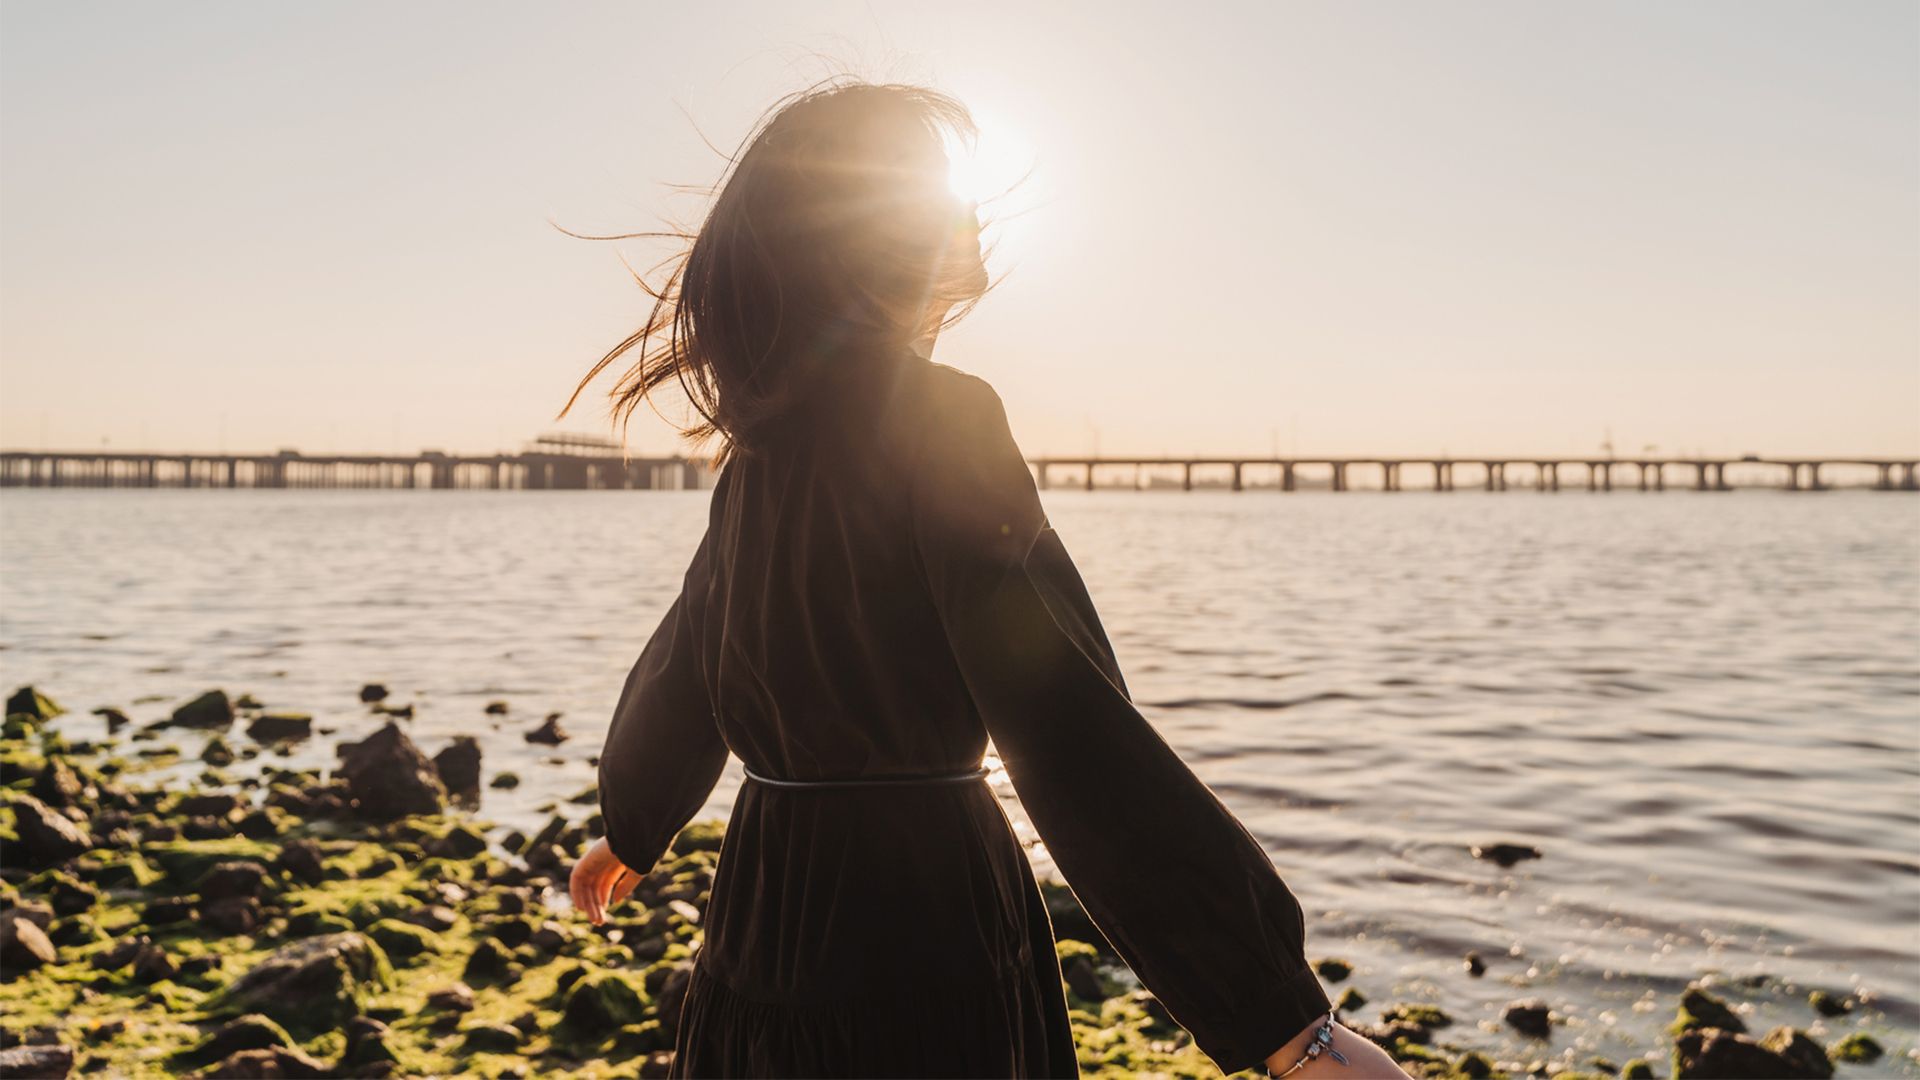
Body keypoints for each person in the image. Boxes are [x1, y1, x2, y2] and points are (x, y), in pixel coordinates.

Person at [564, 78, 1409, 1079]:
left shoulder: (759, 456)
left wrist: (633, 821)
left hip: (767, 905)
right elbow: (1065, 722)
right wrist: (1280, 1017)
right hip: (928, 922)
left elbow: (687, 665)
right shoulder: (942, 418)